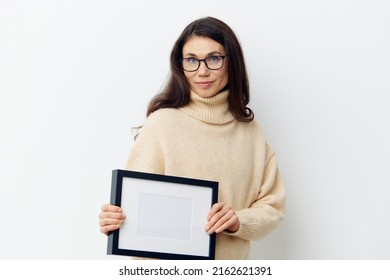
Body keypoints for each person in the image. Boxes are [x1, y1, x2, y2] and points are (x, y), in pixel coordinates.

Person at [99, 16, 286, 260]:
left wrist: (238, 220)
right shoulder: (163, 124)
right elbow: (135, 205)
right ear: (180, 65)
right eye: (191, 60)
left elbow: (272, 208)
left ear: (232, 62)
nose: (202, 71)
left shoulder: (251, 132)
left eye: (214, 58)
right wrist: (115, 220)